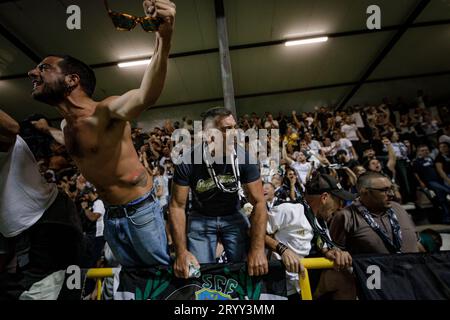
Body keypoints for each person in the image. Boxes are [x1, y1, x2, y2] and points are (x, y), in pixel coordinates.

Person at [28, 0, 176, 267]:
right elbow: (78, 144)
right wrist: (47, 130)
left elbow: (145, 95)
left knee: (161, 287)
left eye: (43, 68)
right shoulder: (65, 126)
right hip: (111, 215)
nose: (32, 72)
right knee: (134, 287)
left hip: (139, 211)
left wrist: (163, 38)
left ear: (72, 80)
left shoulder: (106, 111)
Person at [169, 107, 268, 278]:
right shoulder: (188, 160)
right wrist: (181, 252)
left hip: (233, 214)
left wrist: (258, 249)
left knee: (246, 269)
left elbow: (259, 202)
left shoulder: (245, 158)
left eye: (235, 127)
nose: (235, 134)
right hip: (201, 217)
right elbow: (177, 206)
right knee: (198, 273)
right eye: (227, 129)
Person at [0, 109, 83, 298]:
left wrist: (46, 129)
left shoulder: (8, 137)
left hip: (47, 220)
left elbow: (11, 127)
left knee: (63, 282)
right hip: (26, 228)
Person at [330, 171, 419, 255]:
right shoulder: (346, 216)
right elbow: (337, 253)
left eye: (392, 189)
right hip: (374, 270)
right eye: (384, 190)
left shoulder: (399, 208)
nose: (391, 194)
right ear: (364, 192)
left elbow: (417, 243)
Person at [412, 145, 450, 224]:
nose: (425, 151)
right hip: (430, 182)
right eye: (422, 150)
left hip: (438, 181)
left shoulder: (431, 159)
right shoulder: (417, 162)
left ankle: (446, 218)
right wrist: (421, 182)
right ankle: (445, 218)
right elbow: (415, 174)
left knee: (443, 199)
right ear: (419, 152)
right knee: (445, 192)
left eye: (426, 150)